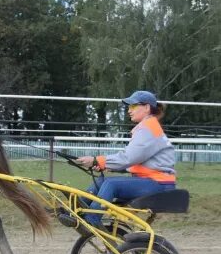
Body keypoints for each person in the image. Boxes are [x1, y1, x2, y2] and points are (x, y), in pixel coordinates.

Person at [74, 90, 176, 229]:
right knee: (102, 181)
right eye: (128, 107)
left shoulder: (149, 128)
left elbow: (129, 157)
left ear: (146, 108)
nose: (129, 110)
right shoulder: (147, 127)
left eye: (133, 106)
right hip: (153, 181)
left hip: (160, 185)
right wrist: (105, 165)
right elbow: (135, 161)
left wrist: (98, 161)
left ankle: (91, 220)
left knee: (110, 184)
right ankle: (75, 210)